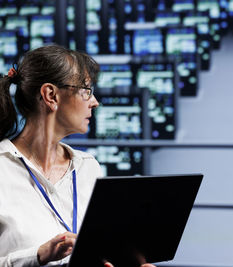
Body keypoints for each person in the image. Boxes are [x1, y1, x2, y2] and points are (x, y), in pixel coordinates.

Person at [0, 45, 155, 267]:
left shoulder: (88, 168)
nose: (95, 102)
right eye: (86, 90)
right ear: (51, 95)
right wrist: (38, 256)